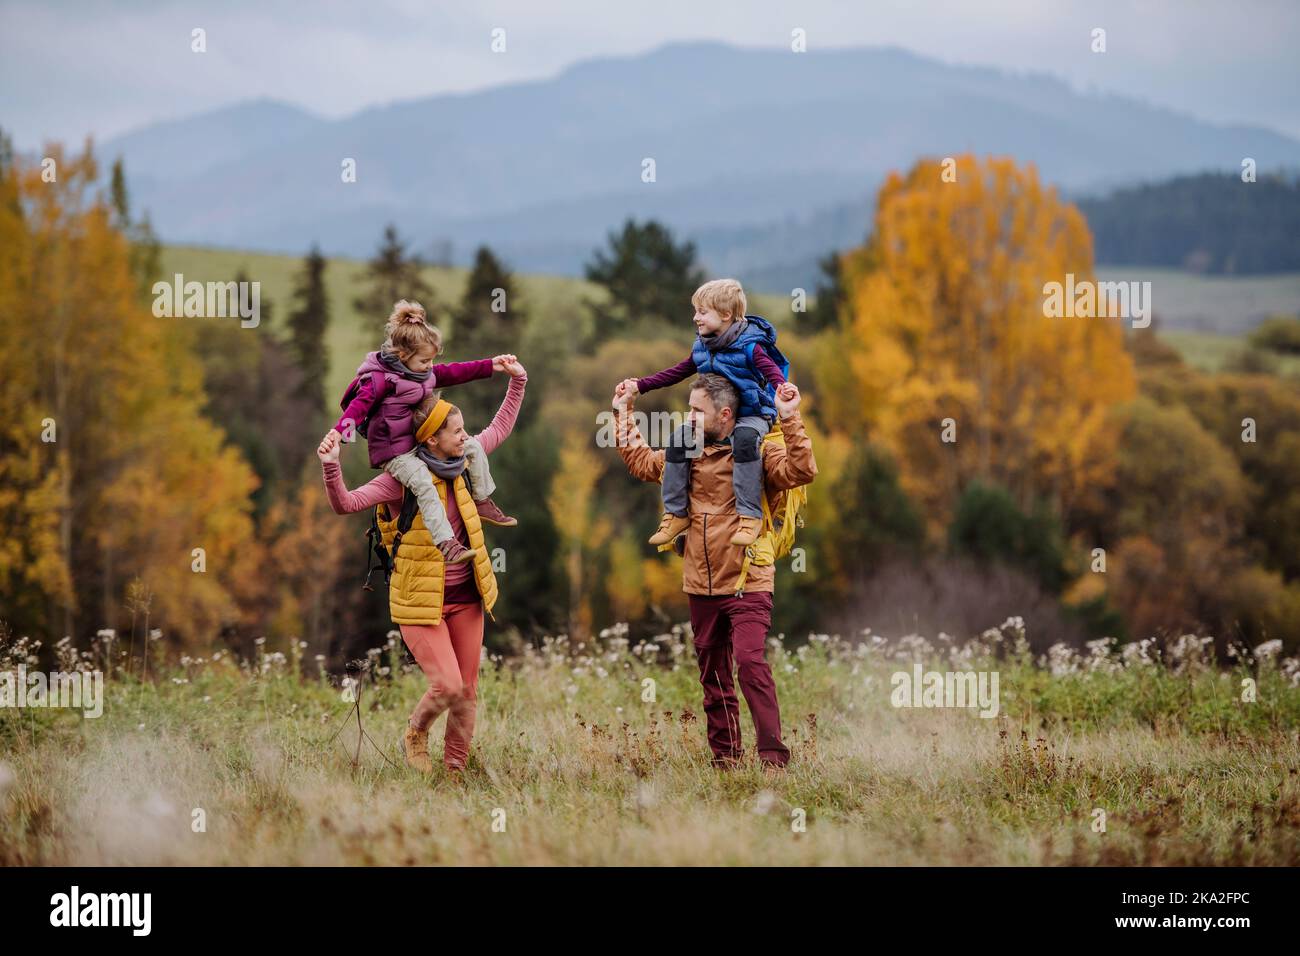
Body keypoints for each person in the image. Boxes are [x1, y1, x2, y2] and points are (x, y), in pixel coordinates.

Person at [318, 358, 527, 775]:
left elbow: (499, 428)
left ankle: (453, 773)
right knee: (447, 685)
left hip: (467, 596)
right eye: (456, 430)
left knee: (467, 691)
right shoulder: (399, 480)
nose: (466, 435)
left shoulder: (463, 461)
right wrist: (331, 465)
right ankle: (415, 732)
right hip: (420, 601)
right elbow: (346, 504)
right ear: (430, 439)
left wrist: (517, 382)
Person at [613, 372, 816, 769]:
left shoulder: (757, 455)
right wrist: (623, 413)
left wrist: (790, 418)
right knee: (713, 676)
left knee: (751, 664)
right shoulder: (685, 452)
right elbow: (640, 462)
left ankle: (773, 759)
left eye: (696, 411)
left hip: (748, 581)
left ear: (725, 414)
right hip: (699, 584)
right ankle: (726, 758)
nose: (688, 418)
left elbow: (802, 471)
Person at [329, 298, 518, 566]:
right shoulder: (381, 380)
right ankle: (446, 543)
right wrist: (339, 434)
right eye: (424, 361)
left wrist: (491, 365)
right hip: (394, 453)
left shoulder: (422, 373)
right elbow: (357, 408)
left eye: (432, 360)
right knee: (422, 482)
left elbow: (454, 372)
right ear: (403, 357)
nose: (430, 366)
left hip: (416, 444)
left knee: (472, 446)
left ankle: (482, 500)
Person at [618, 278, 789, 548]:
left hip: (752, 413)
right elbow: (677, 371)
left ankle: (749, 515)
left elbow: (772, 372)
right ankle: (676, 513)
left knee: (745, 441)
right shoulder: (702, 346)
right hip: (714, 418)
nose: (695, 317)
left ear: (725, 315)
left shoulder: (750, 345)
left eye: (702, 311)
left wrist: (784, 390)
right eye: (696, 310)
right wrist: (640, 385)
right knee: (678, 440)